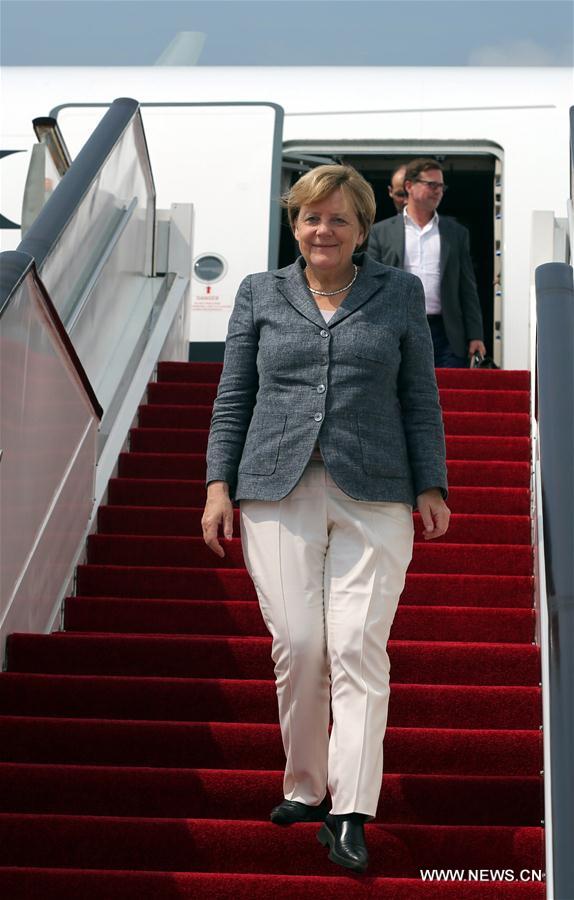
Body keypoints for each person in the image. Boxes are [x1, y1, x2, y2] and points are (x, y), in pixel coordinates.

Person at [202, 164, 450, 874]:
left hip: (375, 493)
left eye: (339, 219)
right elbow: (233, 396)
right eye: (312, 217)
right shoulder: (259, 292)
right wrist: (219, 487)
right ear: (295, 222)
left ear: (363, 228)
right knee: (302, 646)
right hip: (274, 488)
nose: (323, 230)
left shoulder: (397, 293)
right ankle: (306, 786)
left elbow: (419, 398)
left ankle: (349, 811)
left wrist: (431, 484)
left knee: (357, 651)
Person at [368, 157, 486, 368]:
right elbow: (371, 286)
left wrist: (475, 335)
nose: (438, 190)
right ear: (409, 186)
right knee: (402, 397)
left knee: (447, 398)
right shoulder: (380, 232)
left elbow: (467, 288)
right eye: (431, 184)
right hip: (399, 328)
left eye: (441, 186)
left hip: (447, 334)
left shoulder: (456, 233)